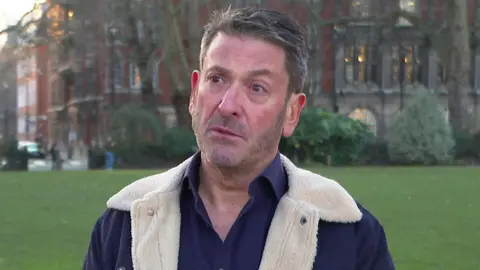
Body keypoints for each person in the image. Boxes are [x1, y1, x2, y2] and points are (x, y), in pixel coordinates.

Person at [83, 7, 395, 270]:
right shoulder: (122, 225)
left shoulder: (351, 235)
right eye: (217, 79)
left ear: (291, 112)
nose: (228, 105)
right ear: (194, 93)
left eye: (257, 87)